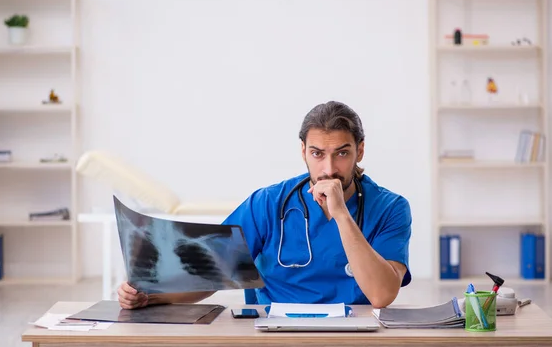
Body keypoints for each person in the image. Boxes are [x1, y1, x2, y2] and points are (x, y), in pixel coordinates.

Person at [118, 100, 412, 309]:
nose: (329, 168)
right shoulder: (269, 203)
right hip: (276, 335)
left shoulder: (391, 208)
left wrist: (341, 215)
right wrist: (151, 296)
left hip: (355, 334)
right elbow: (210, 275)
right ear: (303, 152)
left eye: (342, 153)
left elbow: (382, 296)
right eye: (317, 153)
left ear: (360, 151)